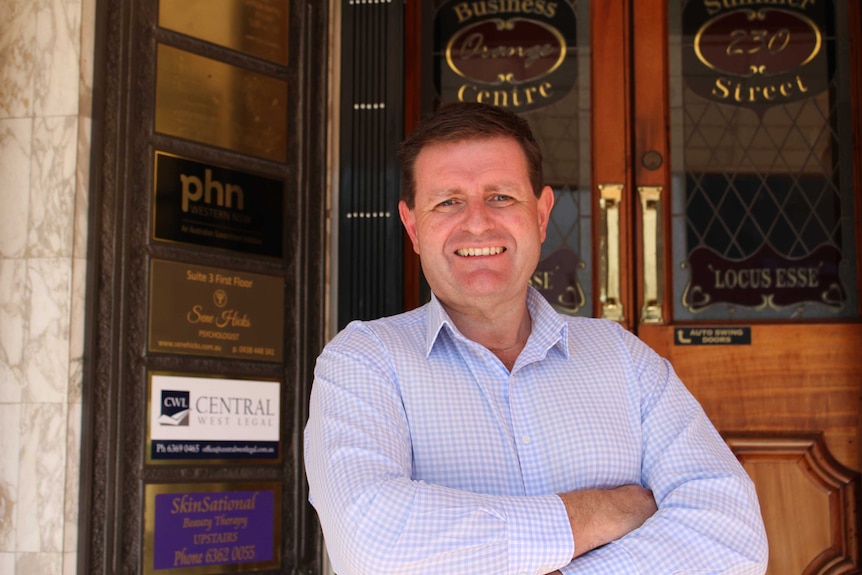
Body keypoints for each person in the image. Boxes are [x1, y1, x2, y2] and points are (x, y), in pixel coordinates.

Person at [304, 101, 768, 574]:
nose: (478, 222)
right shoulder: (363, 361)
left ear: (542, 215)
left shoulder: (624, 358)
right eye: (448, 201)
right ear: (412, 226)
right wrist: (600, 513)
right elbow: (370, 545)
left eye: (501, 196)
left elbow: (733, 539)